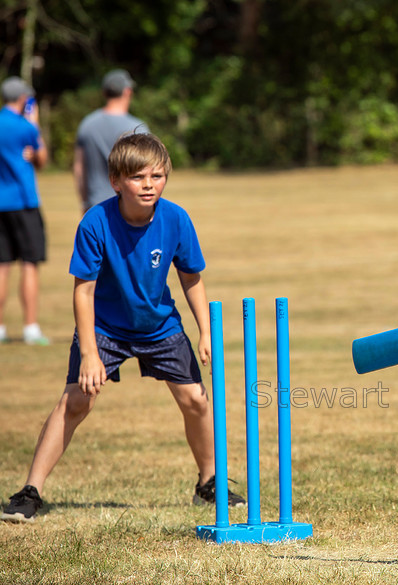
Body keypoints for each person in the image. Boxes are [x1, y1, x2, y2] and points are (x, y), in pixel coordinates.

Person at [1, 133, 244, 524]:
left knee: (197, 400)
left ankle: (209, 482)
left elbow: (191, 278)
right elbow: (84, 292)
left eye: (158, 176)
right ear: (116, 181)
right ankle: (30, 492)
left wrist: (205, 331)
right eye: (138, 177)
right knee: (77, 400)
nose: (149, 185)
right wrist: (91, 354)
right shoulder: (96, 222)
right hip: (105, 327)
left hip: (159, 324)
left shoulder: (176, 219)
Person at [0, 76, 49, 345]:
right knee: (30, 263)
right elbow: (42, 158)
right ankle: (30, 327)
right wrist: (35, 122)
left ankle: (0, 328)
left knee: (2, 266)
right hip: (23, 201)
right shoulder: (25, 127)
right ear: (22, 99)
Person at [74, 69, 148, 213]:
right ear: (127, 92)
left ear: (104, 93)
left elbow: (79, 169)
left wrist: (84, 202)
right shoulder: (137, 127)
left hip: (96, 204)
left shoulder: (87, 124)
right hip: (129, 204)